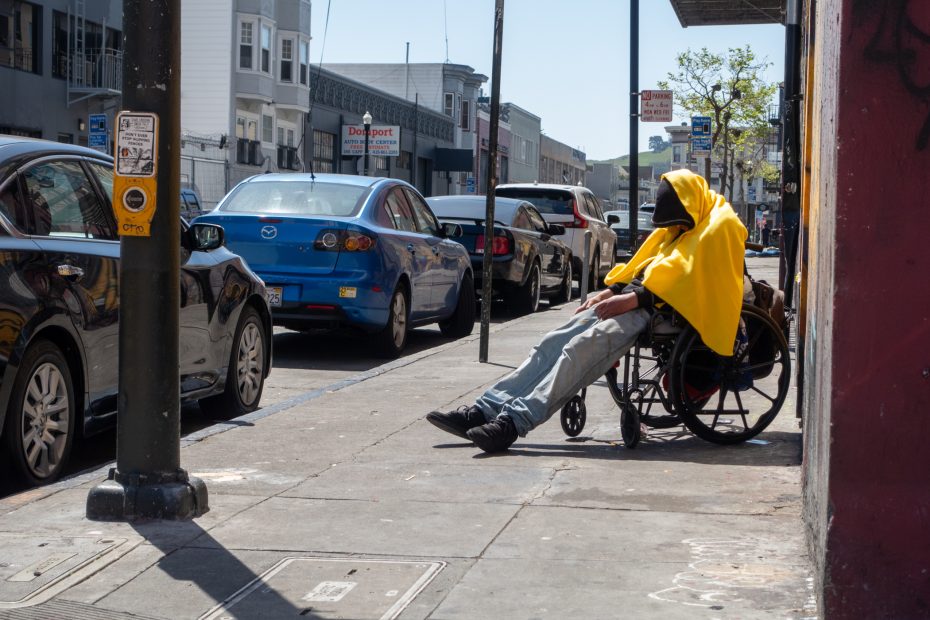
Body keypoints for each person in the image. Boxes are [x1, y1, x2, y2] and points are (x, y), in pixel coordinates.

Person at [427, 169, 748, 453]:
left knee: (579, 349)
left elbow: (690, 281)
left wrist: (634, 300)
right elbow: (651, 269)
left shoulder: (720, 227)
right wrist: (611, 292)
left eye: (676, 224)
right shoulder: (686, 224)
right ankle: (485, 409)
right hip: (645, 301)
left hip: (666, 312)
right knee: (555, 341)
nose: (671, 230)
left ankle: (513, 422)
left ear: (690, 210)